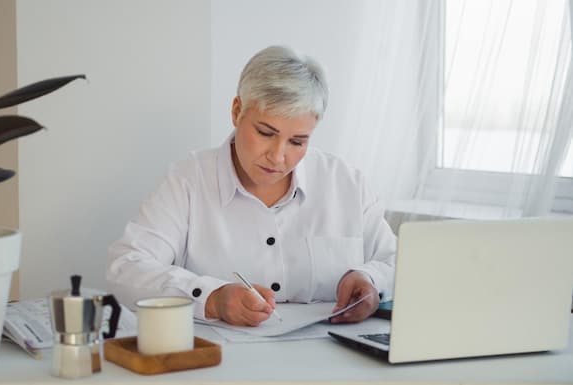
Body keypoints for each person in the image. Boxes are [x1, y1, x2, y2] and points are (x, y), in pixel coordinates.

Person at [107, 45, 396, 327]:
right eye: (265, 132)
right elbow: (126, 269)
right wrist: (212, 298)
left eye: (298, 141)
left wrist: (370, 280)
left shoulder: (346, 184)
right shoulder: (188, 180)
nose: (278, 156)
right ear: (236, 111)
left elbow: (398, 263)